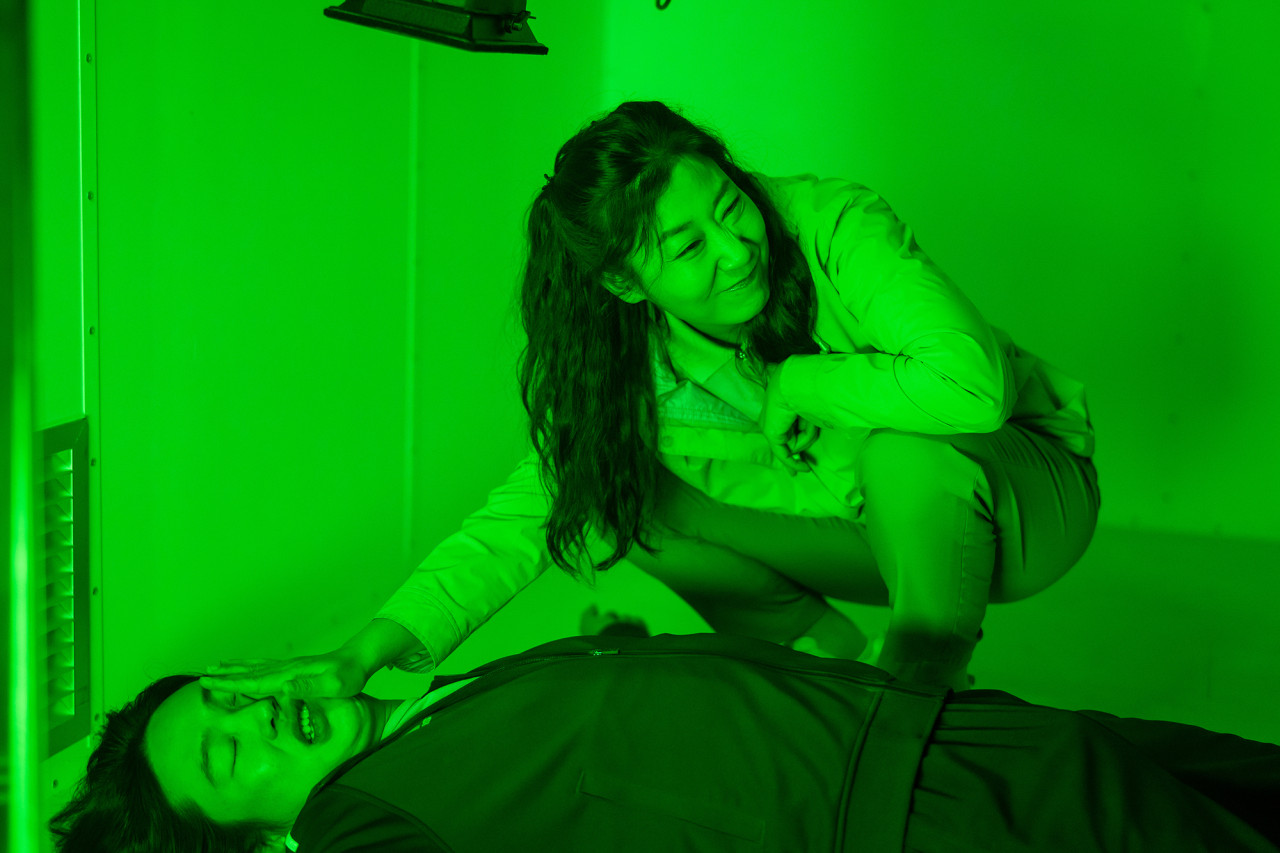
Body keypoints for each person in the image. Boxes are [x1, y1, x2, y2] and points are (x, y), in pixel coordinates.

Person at [50, 98, 1113, 849]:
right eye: (685, 247)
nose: (735, 249)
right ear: (624, 281)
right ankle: (826, 674)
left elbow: (968, 388)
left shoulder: (833, 222)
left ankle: (915, 691)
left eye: (729, 203)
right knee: (613, 502)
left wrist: (797, 380)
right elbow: (519, 518)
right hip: (862, 524)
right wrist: (368, 648)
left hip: (1017, 495)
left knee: (898, 448)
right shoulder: (633, 363)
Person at [48, 610, 1280, 852]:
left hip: (946, 730)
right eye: (229, 753)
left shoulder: (428, 708)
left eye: (228, 692)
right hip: (919, 818)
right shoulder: (359, 824)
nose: (257, 712)